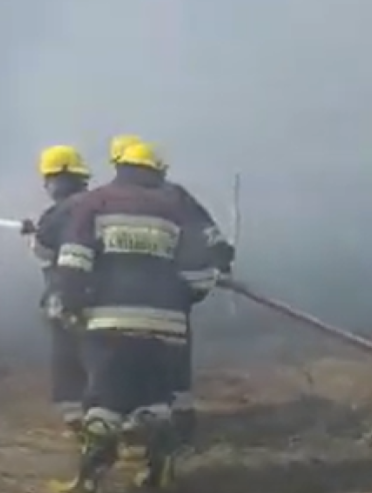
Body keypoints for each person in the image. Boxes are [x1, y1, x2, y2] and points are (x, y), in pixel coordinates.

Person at [46, 141, 221, 492]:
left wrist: (70, 304)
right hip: (166, 327)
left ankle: (87, 482)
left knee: (104, 404)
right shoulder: (175, 207)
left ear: (119, 166)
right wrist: (175, 302)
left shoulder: (96, 202)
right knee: (155, 402)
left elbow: (74, 259)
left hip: (109, 323)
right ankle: (157, 474)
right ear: (157, 171)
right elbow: (200, 275)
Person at [107, 134, 236, 447]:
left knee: (123, 360)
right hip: (171, 297)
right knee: (171, 357)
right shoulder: (176, 197)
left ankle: (139, 421)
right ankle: (174, 418)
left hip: (122, 300)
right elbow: (210, 235)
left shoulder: (110, 199)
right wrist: (215, 265)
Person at [20, 145, 92, 436]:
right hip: (104, 294)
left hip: (66, 293)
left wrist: (31, 235)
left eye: (48, 180)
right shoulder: (99, 205)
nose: (46, 187)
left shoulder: (58, 212)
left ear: (58, 180)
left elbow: (44, 252)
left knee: (67, 353)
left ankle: (75, 414)